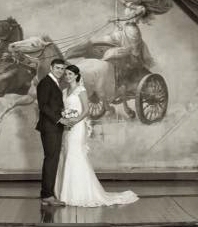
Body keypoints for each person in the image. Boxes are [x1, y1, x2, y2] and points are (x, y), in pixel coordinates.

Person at [54, 65, 139, 207]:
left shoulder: (81, 90)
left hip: (78, 126)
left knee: (75, 155)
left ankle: (81, 193)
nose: (67, 76)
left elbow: (86, 110)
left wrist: (74, 120)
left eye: (70, 74)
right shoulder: (64, 91)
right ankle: (66, 193)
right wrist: (65, 119)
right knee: (66, 154)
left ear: (76, 76)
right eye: (66, 74)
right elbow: (65, 109)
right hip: (68, 127)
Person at [36, 59, 68, 206]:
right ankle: (47, 195)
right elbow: (43, 106)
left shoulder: (54, 82)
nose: (60, 71)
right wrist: (59, 120)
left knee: (52, 159)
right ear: (51, 67)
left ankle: (47, 194)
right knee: (51, 159)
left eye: (62, 69)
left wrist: (63, 113)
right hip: (50, 128)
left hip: (53, 127)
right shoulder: (45, 82)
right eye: (57, 68)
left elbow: (52, 105)